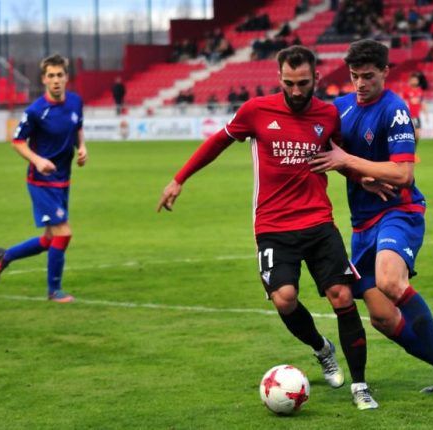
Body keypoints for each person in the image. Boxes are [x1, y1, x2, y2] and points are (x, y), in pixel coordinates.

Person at [156, 45, 377, 410]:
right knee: (285, 298)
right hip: (273, 226)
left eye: (302, 83)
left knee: (341, 296)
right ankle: (322, 349)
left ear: (315, 79)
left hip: (319, 221)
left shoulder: (328, 115)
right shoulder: (256, 111)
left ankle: (360, 386)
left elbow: (341, 158)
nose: (295, 90)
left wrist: (364, 176)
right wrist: (179, 179)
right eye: (288, 83)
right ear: (279, 79)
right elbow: (217, 143)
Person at [309, 39, 433, 397]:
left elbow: (403, 175)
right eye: (354, 76)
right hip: (362, 226)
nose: (360, 84)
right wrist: (357, 175)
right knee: (383, 319)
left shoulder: (395, 109)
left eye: (368, 76)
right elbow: (330, 156)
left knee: (390, 281)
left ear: (385, 72)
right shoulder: (340, 108)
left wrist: (350, 163)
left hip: (398, 212)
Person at [0, 54, 87, 303]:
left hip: (63, 180)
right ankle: (54, 291)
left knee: (48, 239)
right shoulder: (35, 111)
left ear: (67, 78)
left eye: (60, 75)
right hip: (41, 183)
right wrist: (37, 160)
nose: (56, 80)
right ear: (44, 79)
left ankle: (6, 257)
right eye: (51, 76)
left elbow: (77, 127)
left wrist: (83, 148)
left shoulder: (76, 102)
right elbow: (17, 141)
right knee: (63, 234)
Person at [402, 72, 425, 142]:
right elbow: (403, 102)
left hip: (416, 116)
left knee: (417, 135)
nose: (415, 81)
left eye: (416, 80)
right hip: (408, 116)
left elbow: (422, 102)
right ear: (410, 81)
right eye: (413, 80)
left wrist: (425, 112)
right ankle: (409, 150)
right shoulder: (406, 91)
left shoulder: (420, 91)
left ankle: (413, 150)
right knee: (409, 134)